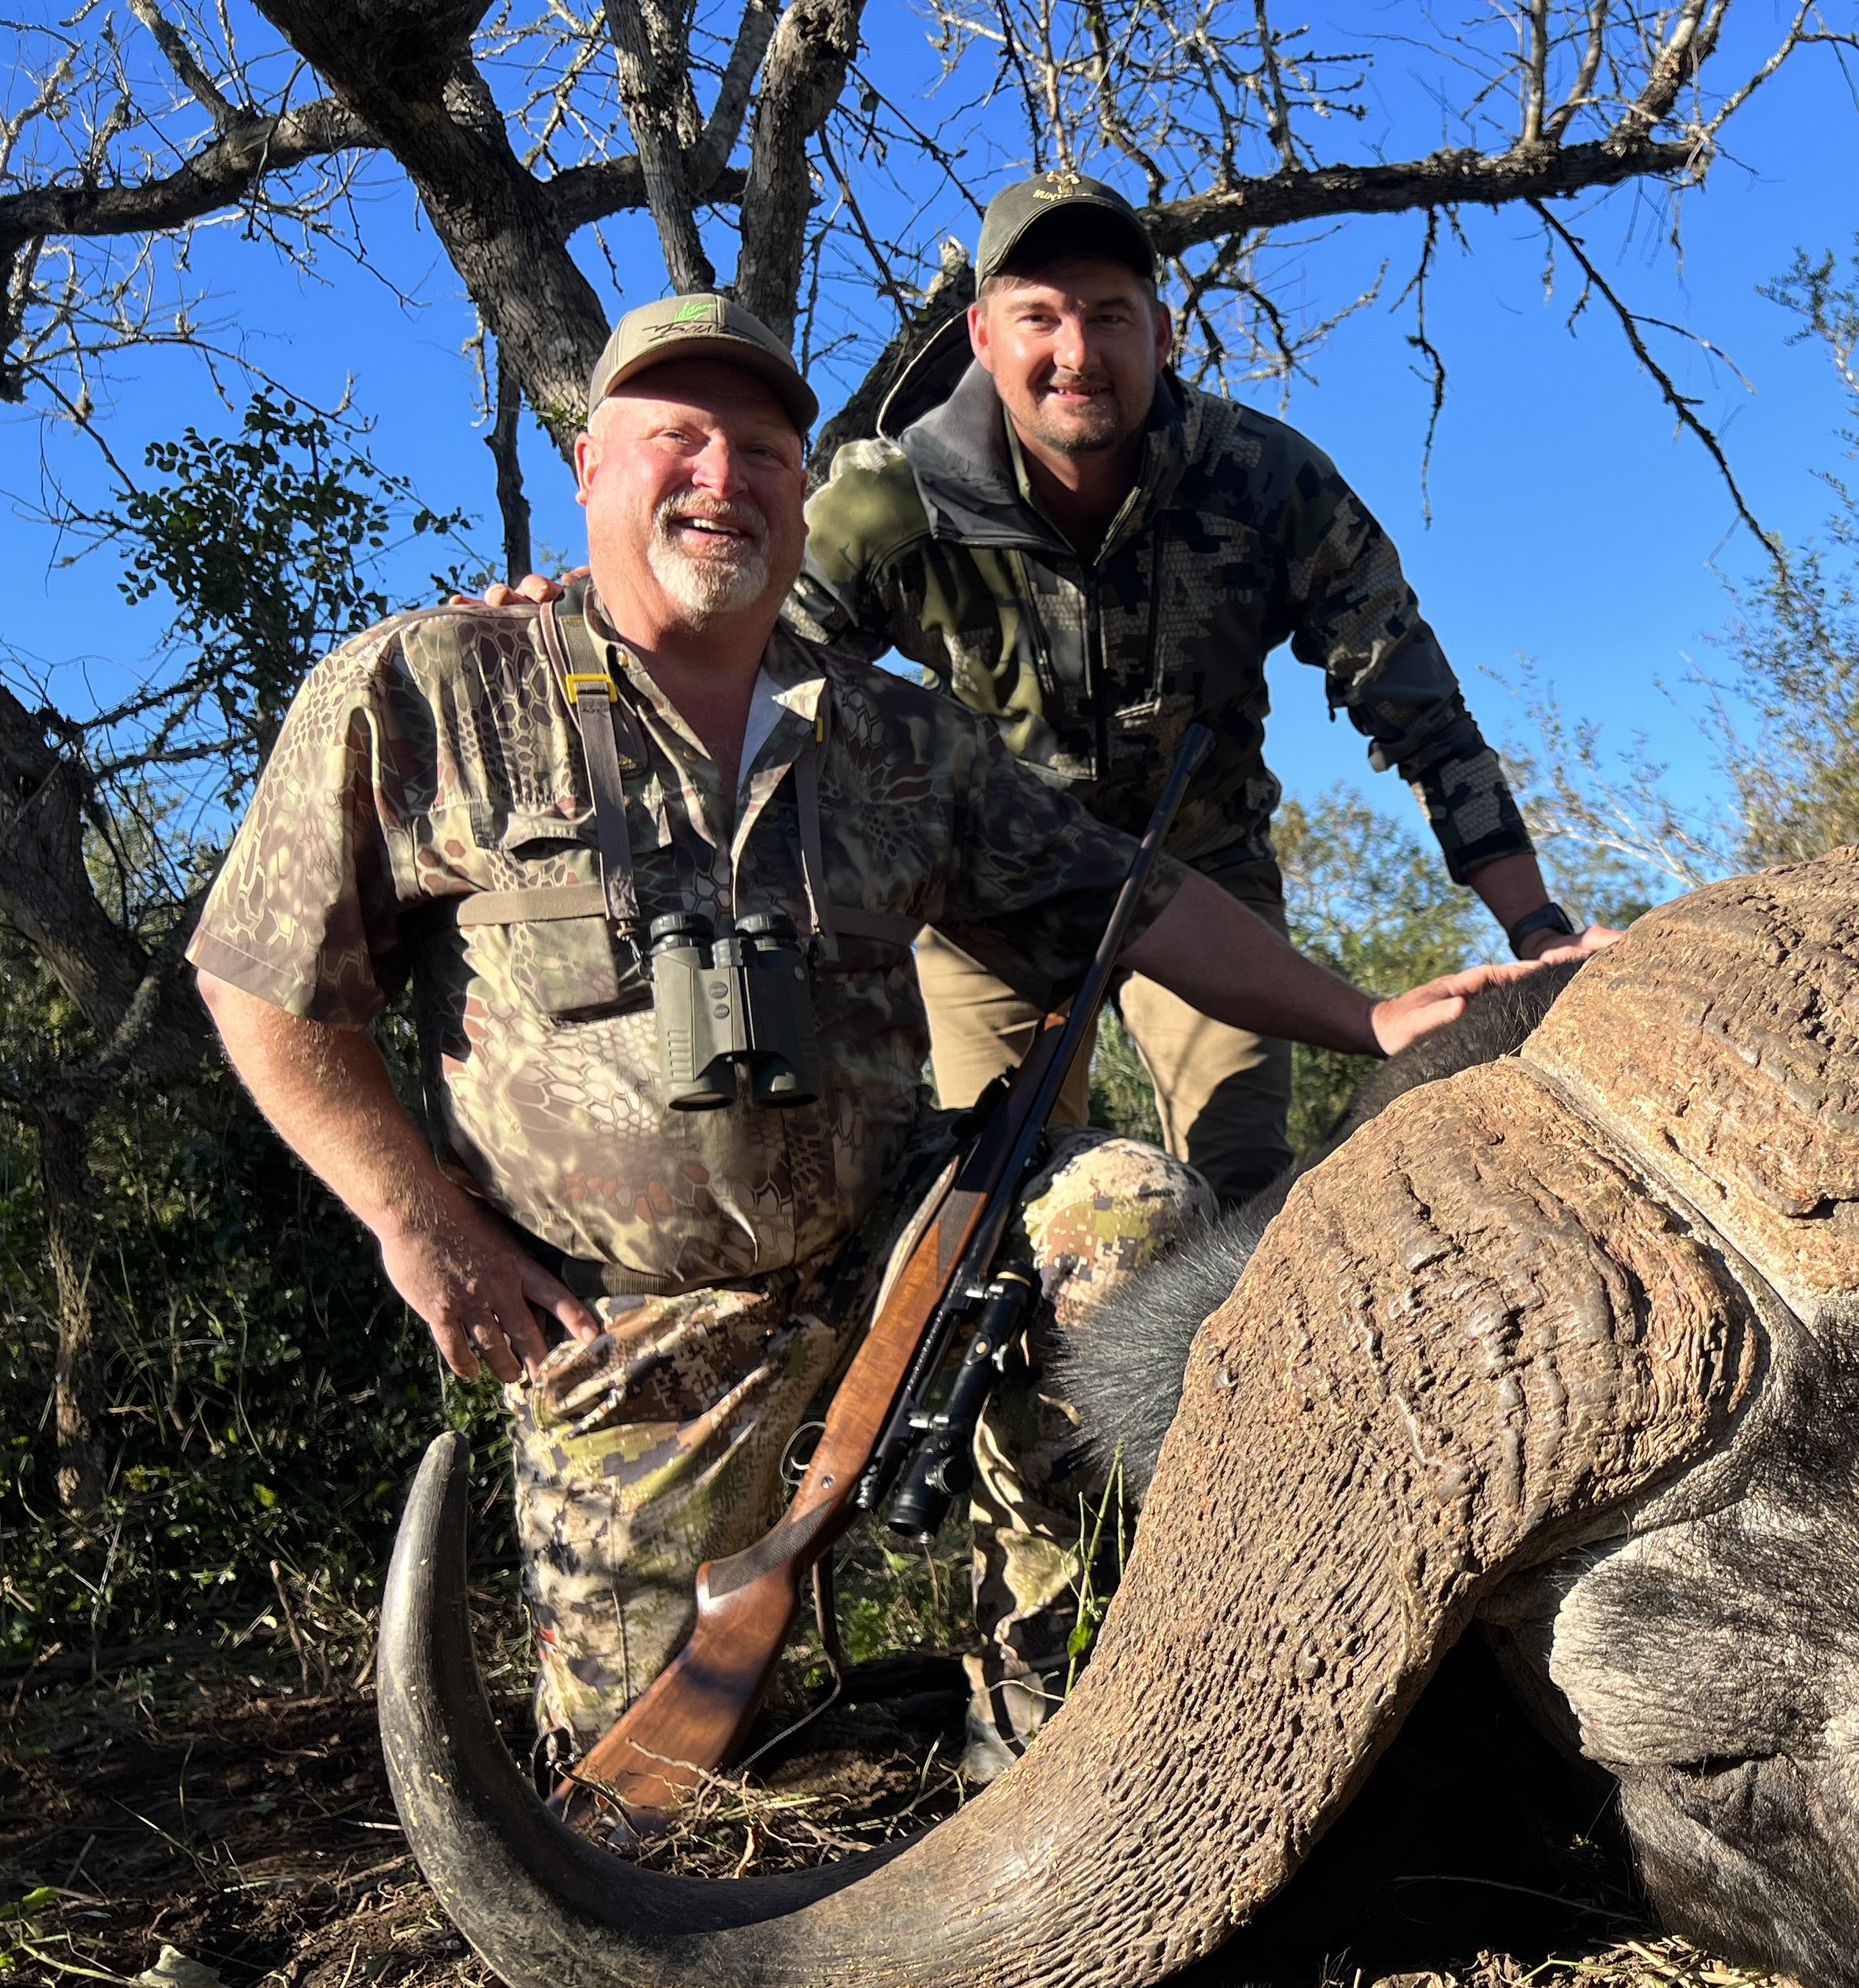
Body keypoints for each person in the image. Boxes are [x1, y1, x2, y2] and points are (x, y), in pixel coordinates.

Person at [192, 293, 1555, 1771]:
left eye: (766, 450)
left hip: (903, 1249)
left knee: (1127, 1210)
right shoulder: (430, 686)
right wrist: (418, 1223)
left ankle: (1057, 1707)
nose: (724, 477)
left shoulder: (896, 733)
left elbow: (1135, 904)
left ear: (804, 486)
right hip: (629, 1320)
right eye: (679, 439)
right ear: (589, 467)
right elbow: (262, 982)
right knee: (639, 1793)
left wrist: (1371, 1014)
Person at [497, 172, 1615, 1208]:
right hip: (997, 894)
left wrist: (1537, 926)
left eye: (1111, 316)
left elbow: (1416, 708)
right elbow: (736, 639)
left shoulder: (1271, 483)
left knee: (1245, 1188)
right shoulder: (893, 499)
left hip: (1203, 878)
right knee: (996, 1195)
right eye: (1040, 317)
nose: (1077, 351)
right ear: (982, 337)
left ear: (1164, 335)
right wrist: (584, 613)